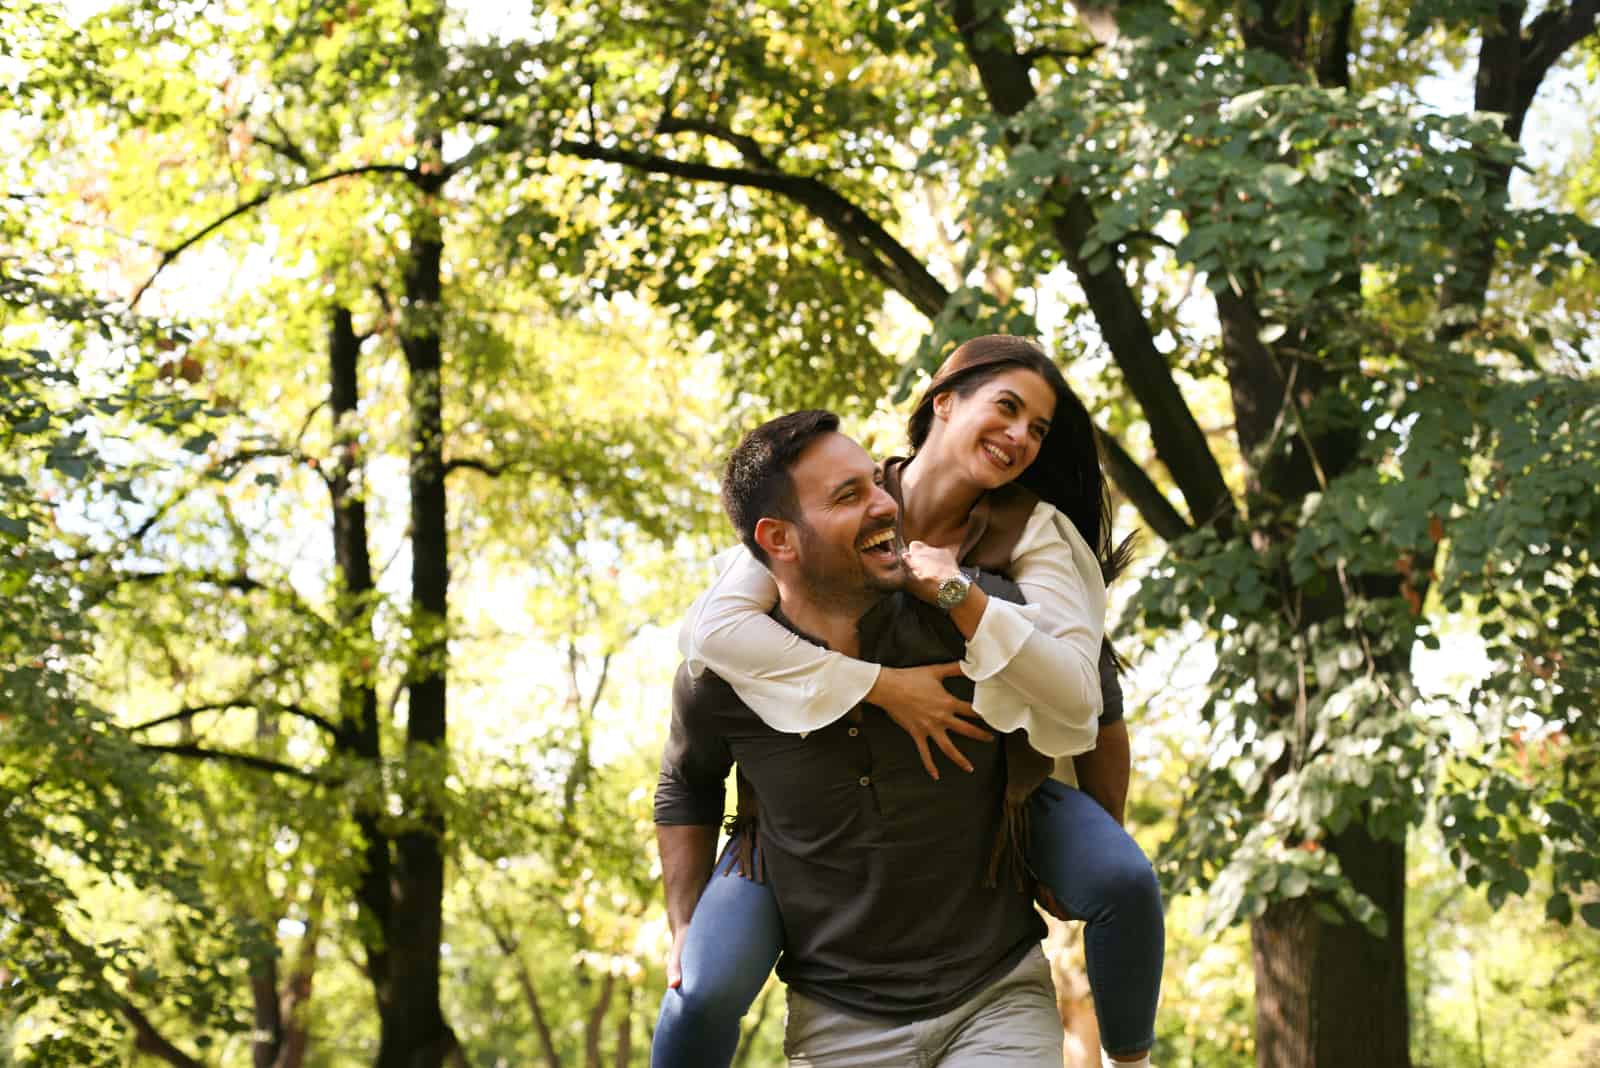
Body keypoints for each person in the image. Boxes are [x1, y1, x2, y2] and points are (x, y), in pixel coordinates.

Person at [656, 336, 1163, 1068]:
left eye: (1039, 428)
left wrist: (959, 594)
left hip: (1007, 785)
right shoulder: (814, 510)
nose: (1021, 436)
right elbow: (710, 635)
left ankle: (1131, 1057)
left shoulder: (1029, 541)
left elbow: (1092, 702)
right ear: (943, 403)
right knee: (700, 986)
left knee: (1120, 877)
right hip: (812, 884)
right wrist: (884, 687)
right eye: (1007, 408)